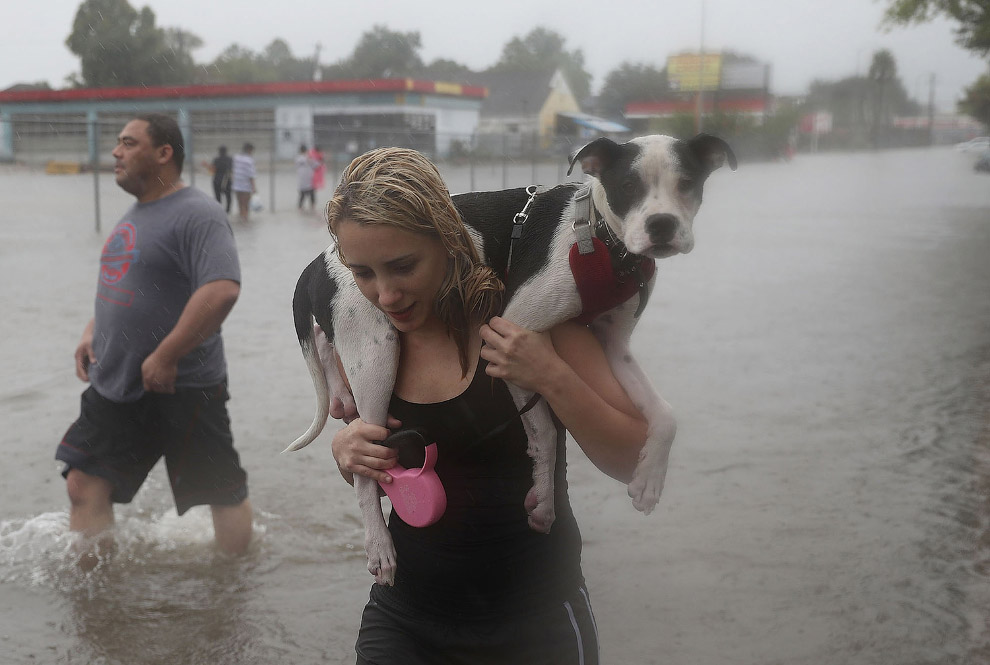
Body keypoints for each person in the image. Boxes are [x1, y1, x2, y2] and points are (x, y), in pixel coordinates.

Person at [326, 147, 652, 664]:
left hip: (537, 623)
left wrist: (548, 374)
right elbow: (395, 473)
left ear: (450, 240)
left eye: (403, 266)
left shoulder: (533, 322)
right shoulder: (369, 344)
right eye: (363, 273)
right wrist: (351, 455)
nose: (385, 295)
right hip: (405, 618)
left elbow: (634, 459)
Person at [55, 113, 253, 562]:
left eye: (128, 143)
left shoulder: (198, 213)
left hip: (182, 384)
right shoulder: (135, 214)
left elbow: (222, 290)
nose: (115, 152)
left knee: (220, 490)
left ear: (164, 153)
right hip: (117, 382)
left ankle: (235, 586)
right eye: (118, 143)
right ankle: (99, 594)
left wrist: (167, 355)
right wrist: (92, 332)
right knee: (83, 481)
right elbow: (125, 285)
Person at [231, 142, 256, 222]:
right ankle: (245, 220)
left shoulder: (236, 158)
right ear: (249, 150)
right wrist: (254, 187)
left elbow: (233, 170)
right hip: (246, 185)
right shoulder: (249, 160)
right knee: (246, 204)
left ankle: (241, 218)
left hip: (237, 184)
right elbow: (251, 175)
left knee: (240, 203)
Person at [295, 143, 319, 212]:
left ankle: (310, 207)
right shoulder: (301, 158)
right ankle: (303, 207)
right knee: (304, 194)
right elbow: (315, 164)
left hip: (309, 179)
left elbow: (316, 165)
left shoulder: (306, 158)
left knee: (309, 193)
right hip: (305, 179)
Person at [211, 145, 233, 213]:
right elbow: (231, 169)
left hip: (217, 179)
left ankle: (219, 210)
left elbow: (213, 170)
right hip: (226, 179)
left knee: (218, 196)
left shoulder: (216, 159)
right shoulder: (229, 159)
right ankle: (228, 210)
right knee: (228, 196)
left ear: (219, 151)